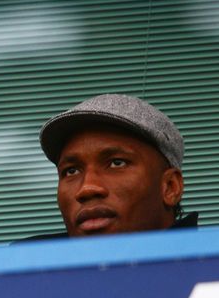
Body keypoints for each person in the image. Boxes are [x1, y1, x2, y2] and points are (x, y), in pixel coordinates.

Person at [29, 93, 197, 240]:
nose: (87, 188)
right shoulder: (26, 270)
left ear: (170, 187)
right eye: (71, 171)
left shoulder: (209, 269)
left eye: (117, 163)